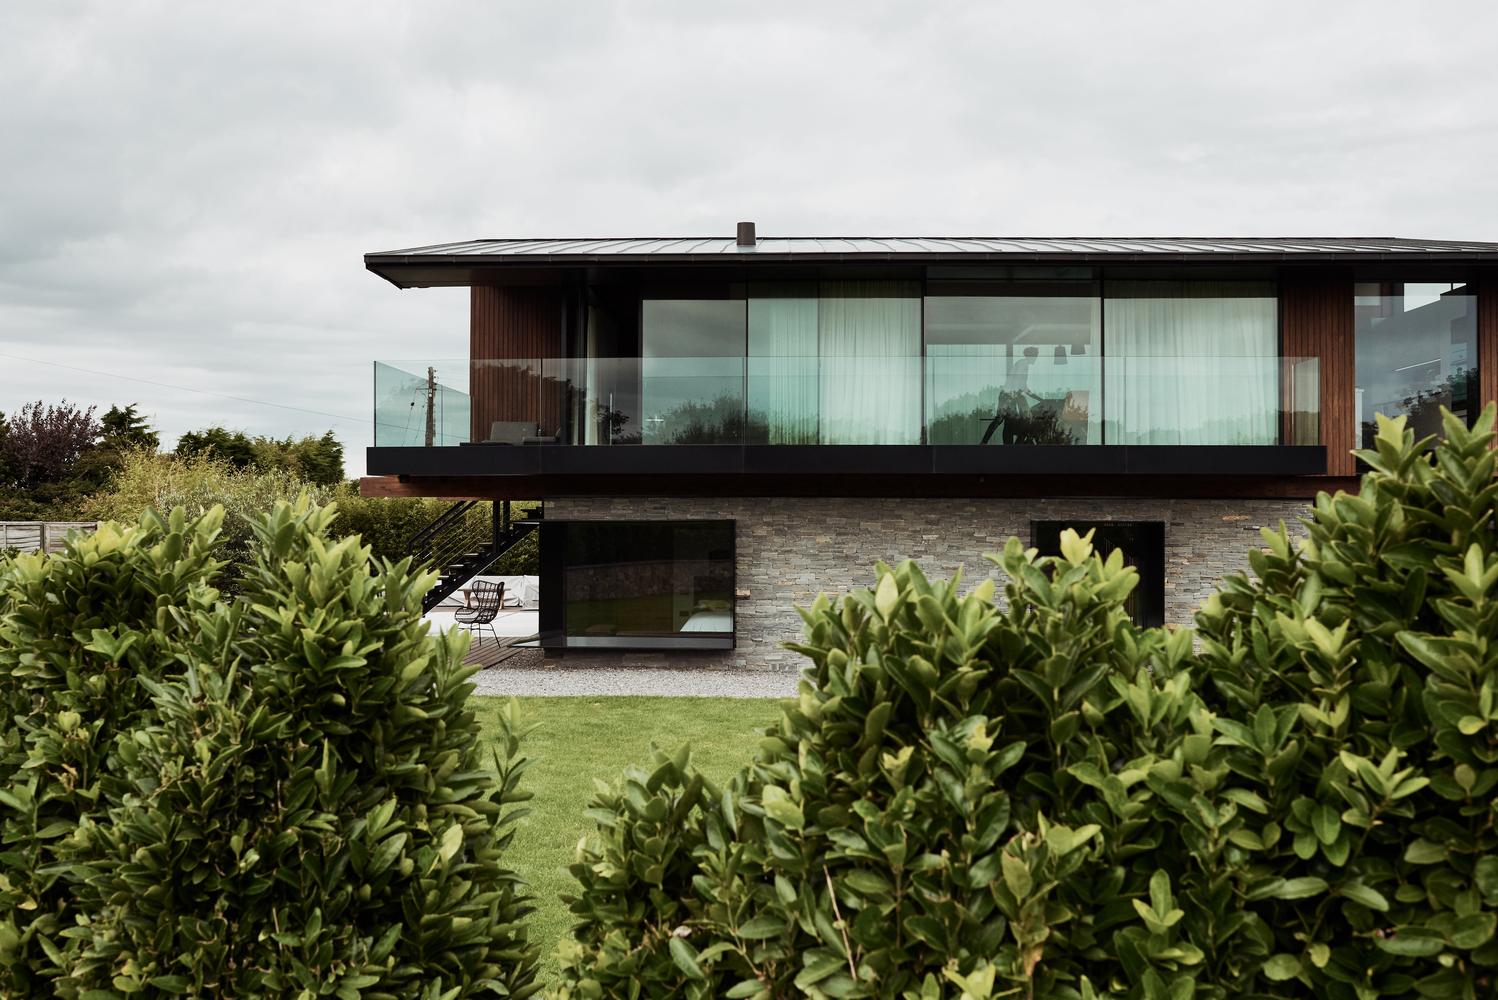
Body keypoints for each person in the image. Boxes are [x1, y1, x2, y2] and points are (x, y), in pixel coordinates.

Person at [980, 346, 1040, 444]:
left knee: (1007, 423)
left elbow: (1023, 387)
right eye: (1036, 356)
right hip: (1008, 396)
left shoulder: (1023, 364)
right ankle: (984, 442)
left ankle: (1003, 445)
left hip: (1010, 396)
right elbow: (1017, 382)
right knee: (1001, 420)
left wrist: (1038, 398)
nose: (1036, 358)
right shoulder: (1022, 364)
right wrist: (1018, 396)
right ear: (1032, 355)